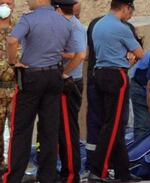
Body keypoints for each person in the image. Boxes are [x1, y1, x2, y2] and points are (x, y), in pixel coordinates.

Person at [5, 0, 78, 181]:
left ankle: (13, 177)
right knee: (49, 130)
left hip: (31, 76)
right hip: (54, 76)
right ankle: (47, 176)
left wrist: (14, 62)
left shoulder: (29, 19)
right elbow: (75, 52)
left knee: (21, 129)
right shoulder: (65, 21)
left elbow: (12, 40)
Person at [88, 0, 144, 181]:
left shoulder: (98, 24)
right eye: (131, 11)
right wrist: (132, 53)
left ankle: (123, 172)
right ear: (126, 7)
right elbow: (140, 53)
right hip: (115, 75)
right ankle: (98, 170)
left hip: (99, 74)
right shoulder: (122, 28)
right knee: (113, 126)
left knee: (114, 125)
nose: (131, 15)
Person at [52, 0, 86, 182]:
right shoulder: (65, 24)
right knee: (60, 130)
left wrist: (62, 72)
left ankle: (71, 175)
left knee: (67, 130)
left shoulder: (74, 26)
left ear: (57, 8)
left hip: (69, 83)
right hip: (63, 82)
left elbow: (81, 55)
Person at [0, 0, 16, 175]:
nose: (5, 4)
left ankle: (14, 166)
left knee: (17, 129)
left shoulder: (21, 25)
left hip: (16, 88)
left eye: (9, 1)